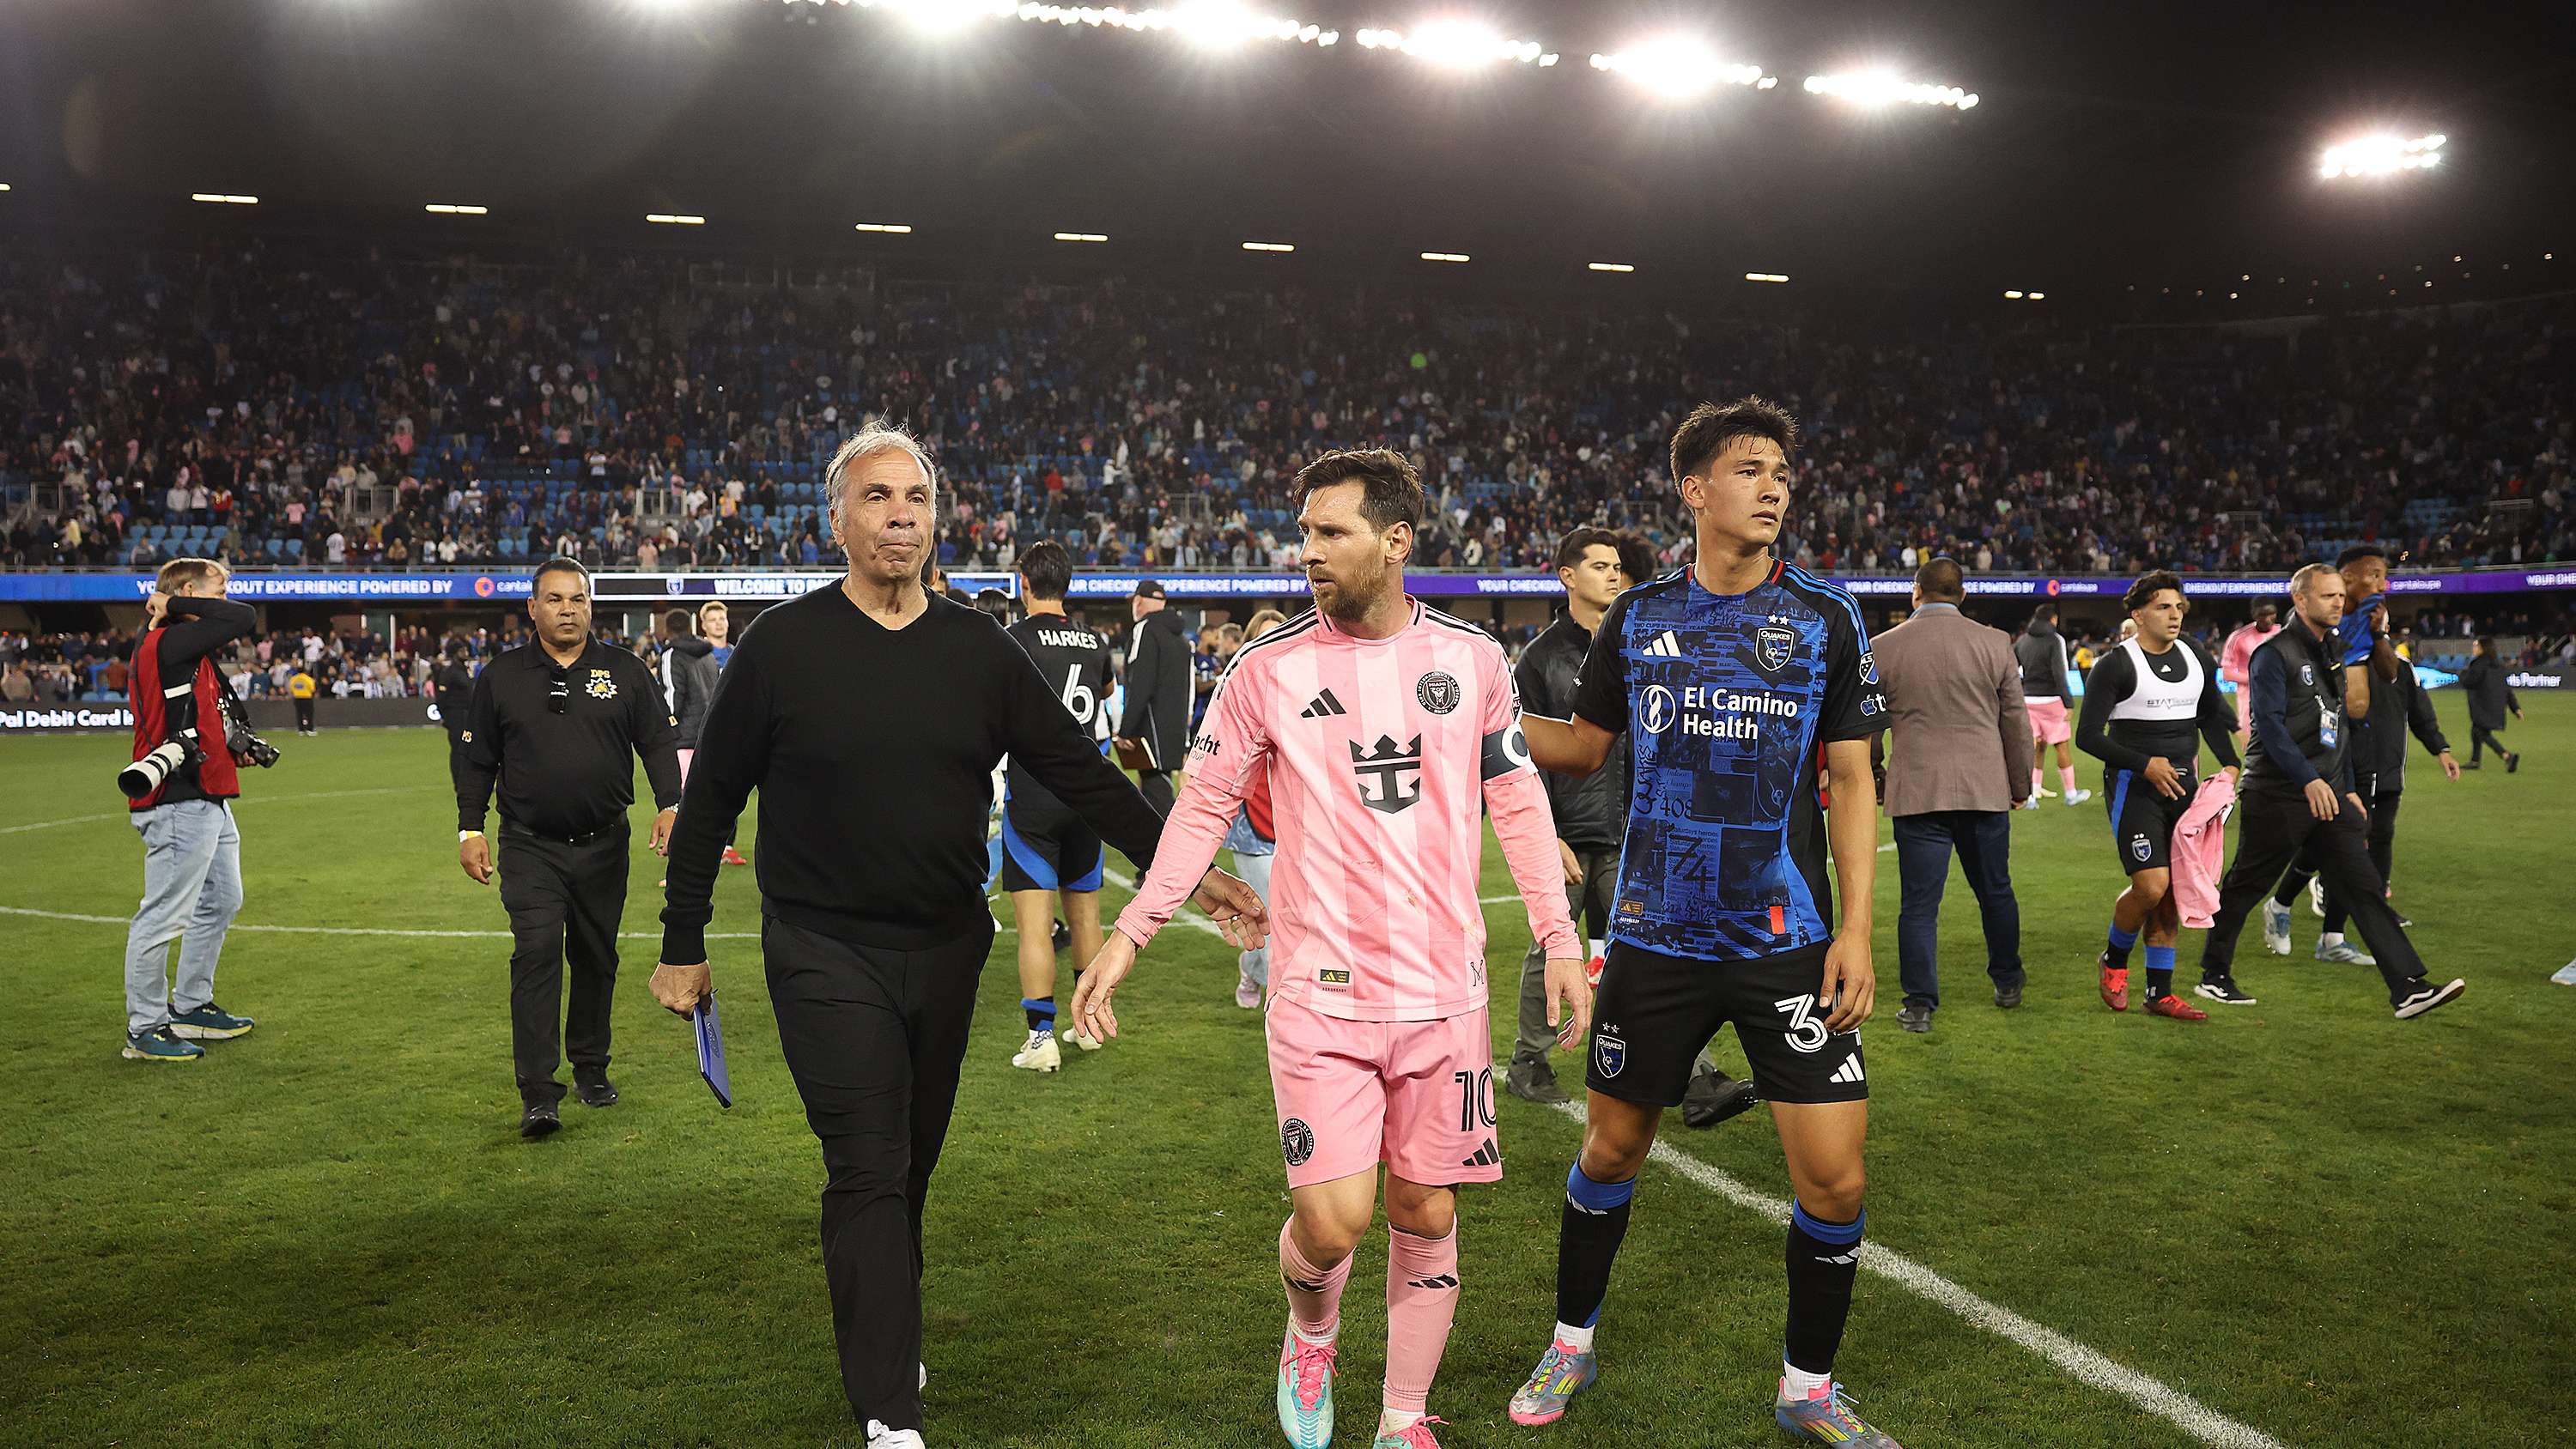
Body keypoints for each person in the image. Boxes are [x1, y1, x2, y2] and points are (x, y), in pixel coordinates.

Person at [648, 427, 1264, 1449]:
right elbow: (709, 802)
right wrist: (682, 941)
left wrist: (1189, 873)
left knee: (910, 1164)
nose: (901, 514)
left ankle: (886, 1324)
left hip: (944, 948)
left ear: (938, 520)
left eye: (917, 498)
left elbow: (1081, 772)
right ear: (837, 520)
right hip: (821, 948)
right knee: (868, 1164)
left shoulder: (981, 648)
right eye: (878, 496)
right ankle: (891, 1410)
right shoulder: (779, 648)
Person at [1070, 448, 1582, 1449]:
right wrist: (1132, 930)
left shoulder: (1473, 662)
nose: (1307, 551)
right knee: (1334, 1222)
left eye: (1330, 532)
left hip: (1445, 992)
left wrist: (1560, 936)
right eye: (1304, 532)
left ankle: (1402, 1416)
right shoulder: (1264, 672)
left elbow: (1517, 800)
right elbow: (1201, 807)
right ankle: (1313, 1329)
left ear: (1396, 543)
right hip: (1320, 989)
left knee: (1426, 1208)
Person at [1508, 397, 1899, 1446]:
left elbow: (1853, 778)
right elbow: (1585, 747)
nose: (1775, 487)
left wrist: (1857, 930)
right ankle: (1571, 1342)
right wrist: (1471, 718)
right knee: (1611, 1149)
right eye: (1751, 469)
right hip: (1655, 939)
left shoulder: (1825, 617)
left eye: (1783, 472)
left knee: (1837, 1174)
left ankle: (1807, 1387)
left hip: (1787, 943)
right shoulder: (1637, 618)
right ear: (1695, 489)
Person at [454, 558, 684, 1138]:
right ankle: (538, 1092)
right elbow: (476, 758)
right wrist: (469, 828)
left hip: (605, 843)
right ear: (532, 608)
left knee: (595, 955)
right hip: (529, 845)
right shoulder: (502, 676)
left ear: (591, 606)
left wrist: (670, 804)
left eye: (577, 599)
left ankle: (591, 1066)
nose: (567, 609)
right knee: (535, 954)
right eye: (554, 599)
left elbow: (658, 741)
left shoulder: (625, 670)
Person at [2191, 565, 2465, 1020]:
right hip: (2277, 792)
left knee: (2364, 885)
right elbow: (2270, 730)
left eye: (2341, 595)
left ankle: (2408, 987)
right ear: (2300, 601)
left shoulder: (2334, 650)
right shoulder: (2273, 655)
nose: (2339, 603)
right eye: (2328, 596)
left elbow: (2339, 726)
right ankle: (2213, 974)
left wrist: (2350, 787)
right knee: (2246, 886)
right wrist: (2310, 779)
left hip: (2329, 794)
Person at [2263, 554, 2462, 958]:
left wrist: (2379, 636)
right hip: (2343, 759)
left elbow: (2396, 682)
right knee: (2341, 844)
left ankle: (2328, 931)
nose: (2382, 586)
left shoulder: (2383, 647)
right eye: (2373, 577)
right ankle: (2304, 918)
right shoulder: (2317, 649)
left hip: (2386, 762)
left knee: (2370, 842)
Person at [1868, 555, 2033, 1033]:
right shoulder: (1995, 642)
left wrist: (1876, 773)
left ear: (1914, 593)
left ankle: (1919, 1005)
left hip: (1918, 790)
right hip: (1984, 789)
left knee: (1919, 904)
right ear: (1962, 596)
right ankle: (2007, 979)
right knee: (1996, 891)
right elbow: (2016, 723)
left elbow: (1870, 727)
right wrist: (2020, 784)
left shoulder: (1883, 647)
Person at [2075, 571, 2241, 1022]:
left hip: (2186, 792)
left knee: (2173, 894)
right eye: (2163, 606)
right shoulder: (2116, 664)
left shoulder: (2195, 655)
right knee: (2151, 887)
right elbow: (2087, 737)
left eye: (2178, 605)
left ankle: (2160, 992)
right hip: (2136, 788)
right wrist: (2144, 764)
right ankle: (2112, 961)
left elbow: (2209, 714)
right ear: (2138, 614)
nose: (2175, 614)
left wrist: (2229, 763)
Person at [1504, 525, 1630, 1102]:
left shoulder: (1631, 645)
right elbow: (1517, 755)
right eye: (1600, 565)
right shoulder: (1539, 658)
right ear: (1567, 577)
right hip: (1570, 832)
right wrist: (1547, 833)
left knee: (1645, 948)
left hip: (1627, 828)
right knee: (1551, 948)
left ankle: (1695, 1073)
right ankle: (1529, 1061)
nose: (1613, 574)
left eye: (1617, 566)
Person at [120, 557, 260, 1063]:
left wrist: (230, 744)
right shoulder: (169, 641)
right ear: (185, 592)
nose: (225, 598)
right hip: (178, 800)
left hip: (207, 796)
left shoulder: (186, 649)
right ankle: (145, 1027)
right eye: (217, 589)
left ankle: (191, 1005)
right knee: (162, 915)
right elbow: (243, 618)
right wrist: (173, 604)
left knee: (223, 899)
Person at [996, 540, 1118, 1072]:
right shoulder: (1095, 642)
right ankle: (1090, 1023)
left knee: (1035, 923)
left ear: (1025, 583)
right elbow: (1105, 697)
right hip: (1085, 795)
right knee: (1087, 914)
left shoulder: (1013, 640)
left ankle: (1041, 1036)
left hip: (1035, 795)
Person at [1224, 607, 1290, 1009]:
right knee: (1270, 916)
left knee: (1289, 915)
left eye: (1278, 636)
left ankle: (1250, 969)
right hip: (1251, 823)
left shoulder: (1308, 693)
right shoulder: (1235, 692)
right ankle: (1280, 1003)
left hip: (1295, 820)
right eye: (1263, 637)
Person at [658, 607, 721, 888]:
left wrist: (666, 730)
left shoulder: (672, 655)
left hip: (684, 738)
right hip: (709, 736)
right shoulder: (707, 655)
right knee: (704, 803)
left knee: (682, 805)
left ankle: (681, 867)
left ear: (668, 630)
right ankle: (706, 860)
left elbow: (673, 696)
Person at [1117, 579, 1192, 815]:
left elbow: (1140, 683)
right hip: (1175, 726)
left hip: (1150, 728)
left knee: (1156, 795)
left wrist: (1126, 730)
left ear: (1138, 601)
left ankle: (1175, 849)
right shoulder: (1181, 638)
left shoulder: (1144, 629)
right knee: (1159, 788)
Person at [2014, 603, 2092, 809]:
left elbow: (2013, 669)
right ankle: (2071, 793)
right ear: (2053, 619)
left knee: (2034, 747)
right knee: (2061, 745)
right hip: (2052, 700)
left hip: (2028, 700)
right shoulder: (2055, 640)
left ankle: (2031, 794)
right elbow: (2060, 673)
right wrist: (2068, 702)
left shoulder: (2022, 641)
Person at [2220, 603, 2280, 753]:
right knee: (2253, 750)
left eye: (2271, 614)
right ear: (2254, 615)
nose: (2267, 619)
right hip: (2250, 701)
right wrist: (2256, 677)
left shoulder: (2283, 633)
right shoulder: (2238, 638)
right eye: (2263, 615)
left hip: (2279, 697)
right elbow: (2227, 673)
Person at [2462, 636, 2522, 771]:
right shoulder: (2499, 665)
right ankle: (2475, 761)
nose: (2473, 648)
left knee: (2480, 732)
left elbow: (2470, 682)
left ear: (2483, 648)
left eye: (2476, 646)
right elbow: (2506, 688)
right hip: (2495, 705)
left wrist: (2463, 674)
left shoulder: (2478, 664)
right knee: (2475, 730)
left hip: (2483, 705)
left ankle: (2506, 756)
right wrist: (2515, 708)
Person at [288, 661, 318, 735]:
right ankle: (309, 729)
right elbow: (313, 689)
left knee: (299, 714)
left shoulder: (293, 679)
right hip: (307, 698)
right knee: (309, 714)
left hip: (297, 698)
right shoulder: (308, 679)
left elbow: (291, 689)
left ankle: (301, 730)